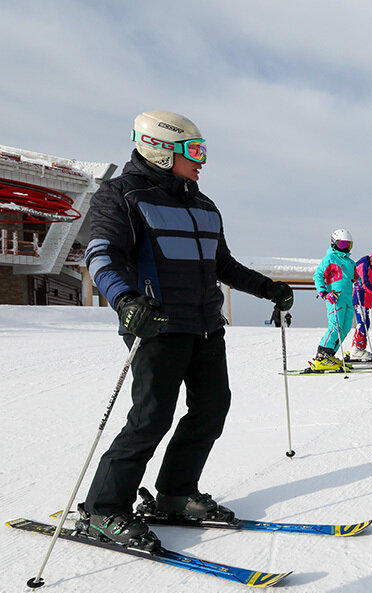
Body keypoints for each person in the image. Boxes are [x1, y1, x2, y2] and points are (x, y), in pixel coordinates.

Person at [81, 110, 294, 550]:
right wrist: (125, 301)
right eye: (194, 152)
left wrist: (267, 288)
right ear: (161, 151)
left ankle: (175, 494)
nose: (201, 162)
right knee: (150, 418)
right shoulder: (121, 195)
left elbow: (223, 265)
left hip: (205, 326)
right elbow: (100, 255)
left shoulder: (202, 204)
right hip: (155, 325)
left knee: (212, 408)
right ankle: (103, 509)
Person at [311, 229, 356, 371]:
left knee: (346, 328)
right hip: (335, 298)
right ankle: (321, 357)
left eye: (348, 245)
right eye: (342, 244)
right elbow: (318, 276)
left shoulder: (350, 262)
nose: (345, 248)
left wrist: (358, 280)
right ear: (334, 243)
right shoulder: (330, 258)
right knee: (335, 328)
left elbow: (354, 276)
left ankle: (329, 355)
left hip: (349, 299)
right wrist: (324, 292)